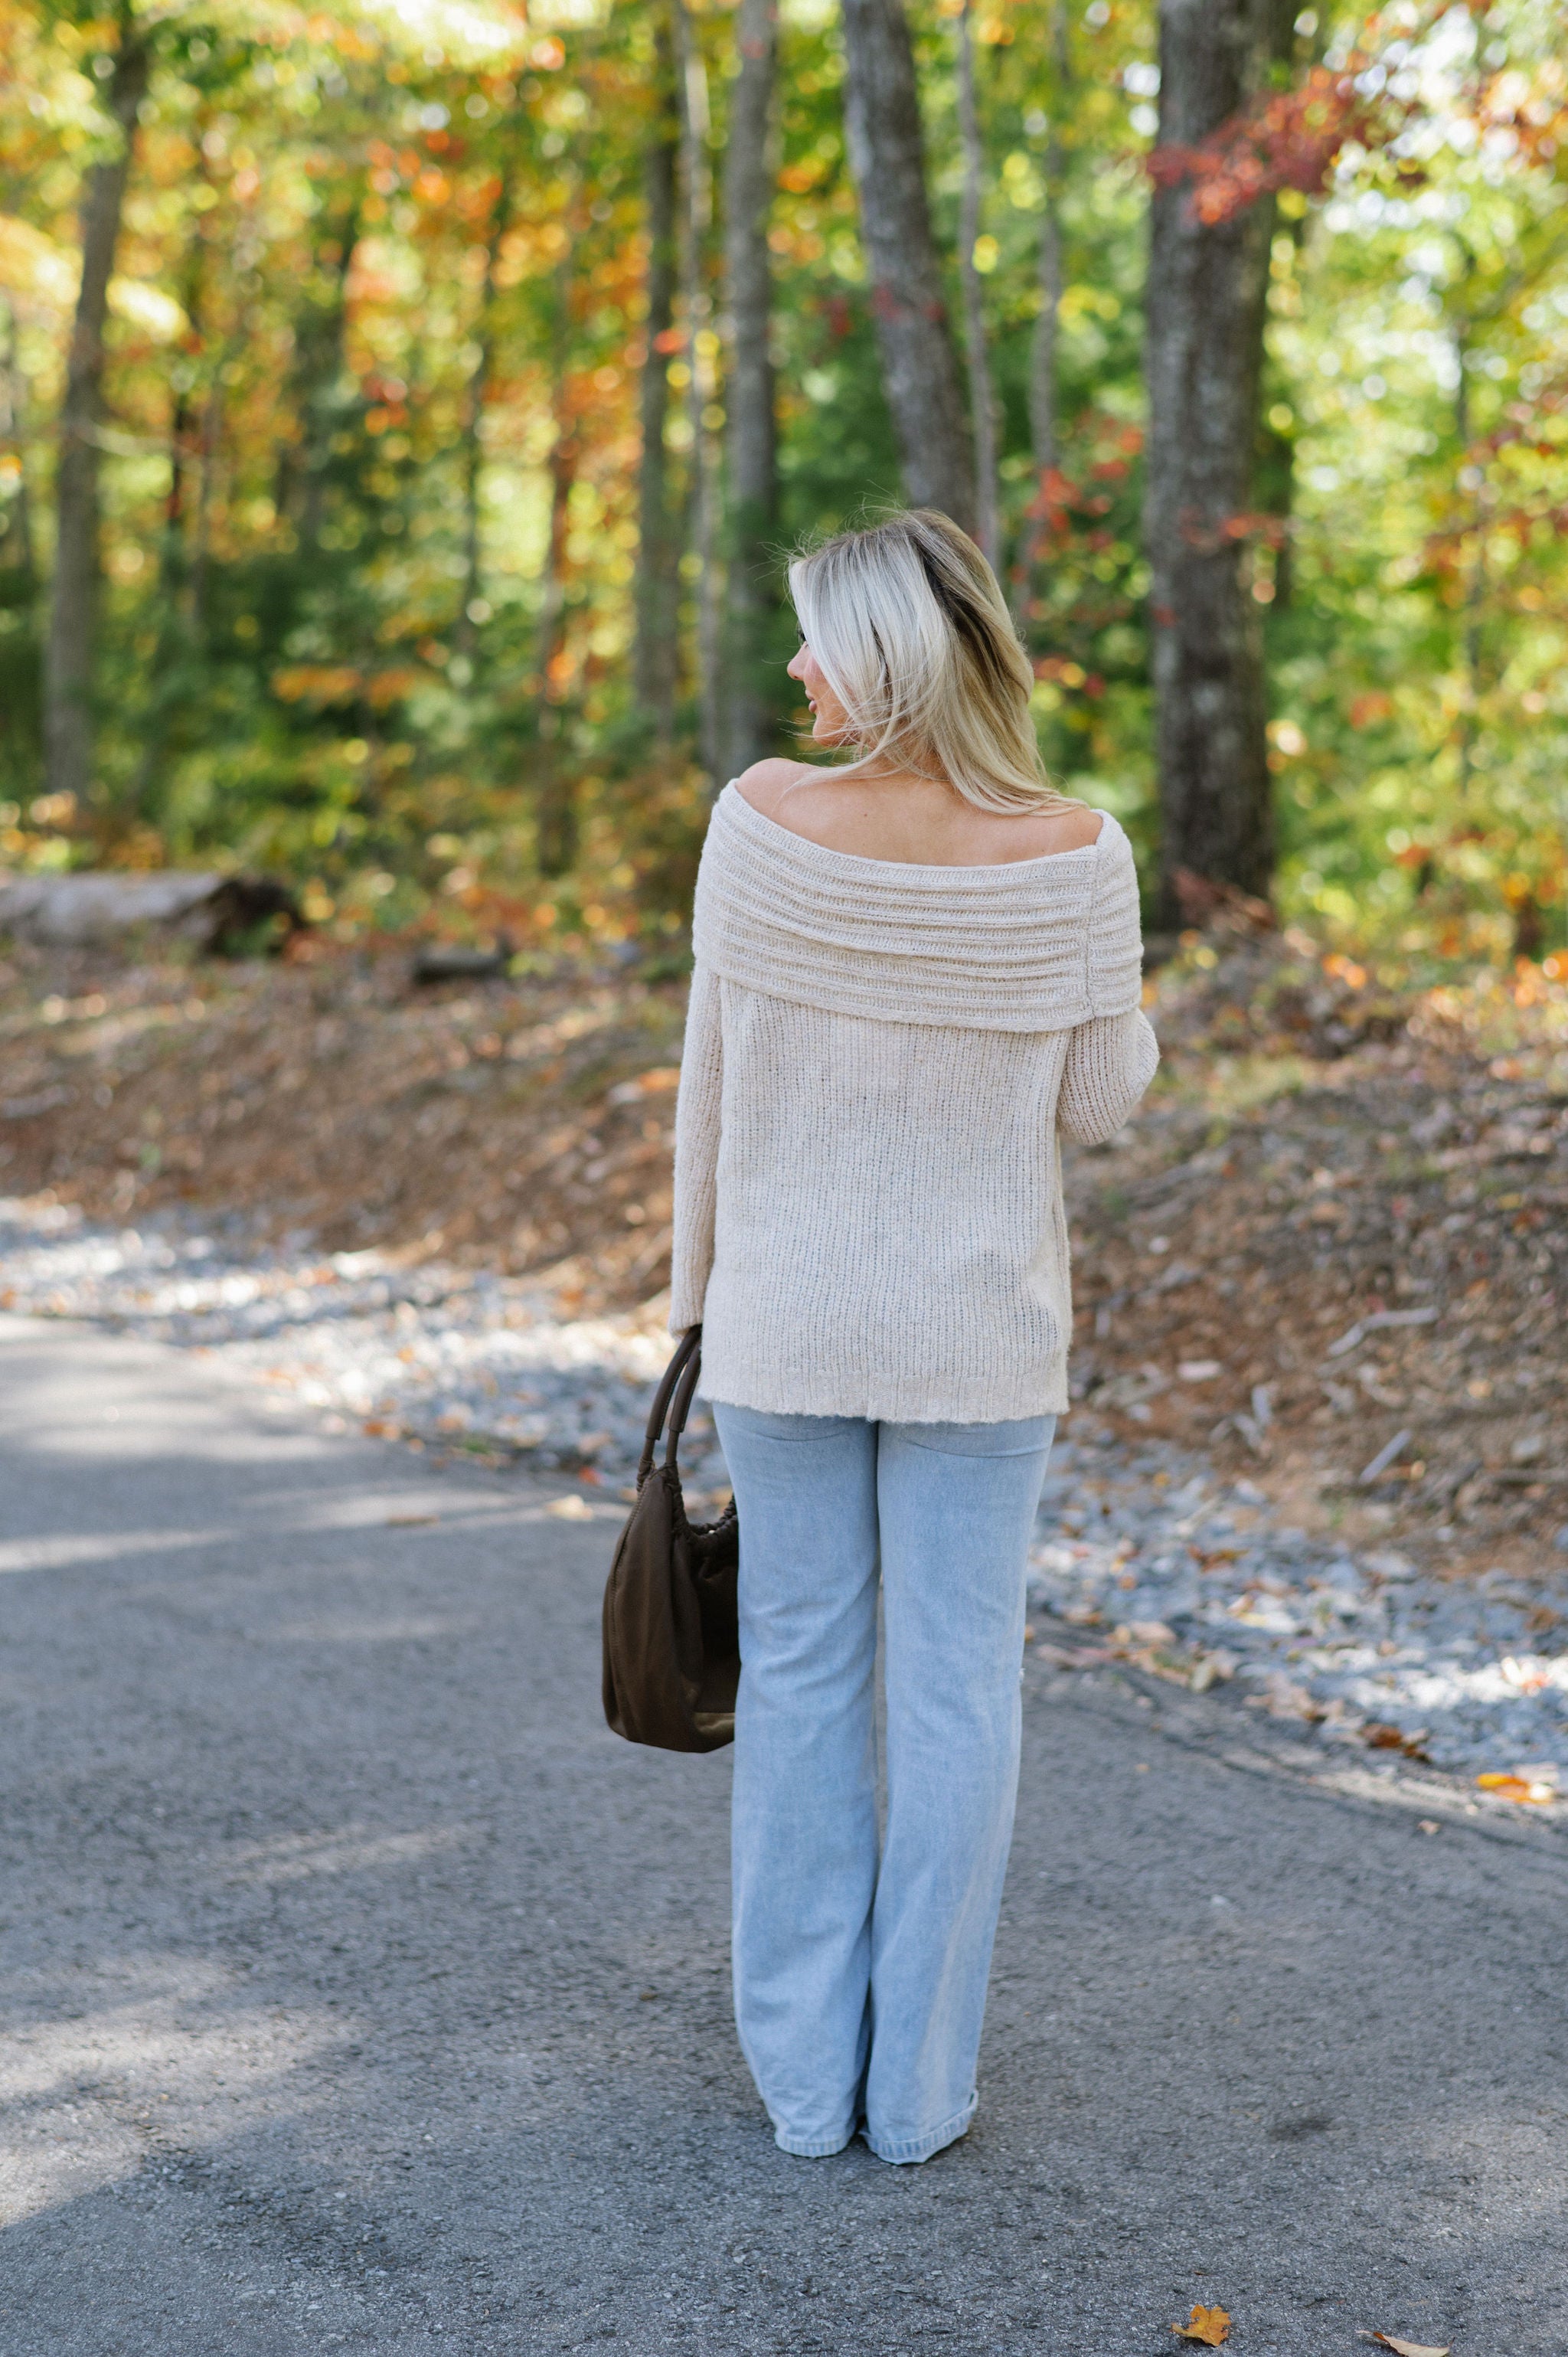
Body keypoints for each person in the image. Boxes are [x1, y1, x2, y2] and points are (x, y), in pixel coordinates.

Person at [667, 508, 1158, 2164]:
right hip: (977, 1334)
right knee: (960, 1696)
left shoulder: (756, 822)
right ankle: (918, 2090)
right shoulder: (1080, 852)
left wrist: (688, 1303)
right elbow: (1099, 1105)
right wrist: (1108, 990)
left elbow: (707, 1089)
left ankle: (804, 2091)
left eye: (816, 635)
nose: (794, 664)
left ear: (885, 655)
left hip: (784, 1323)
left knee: (804, 1678)